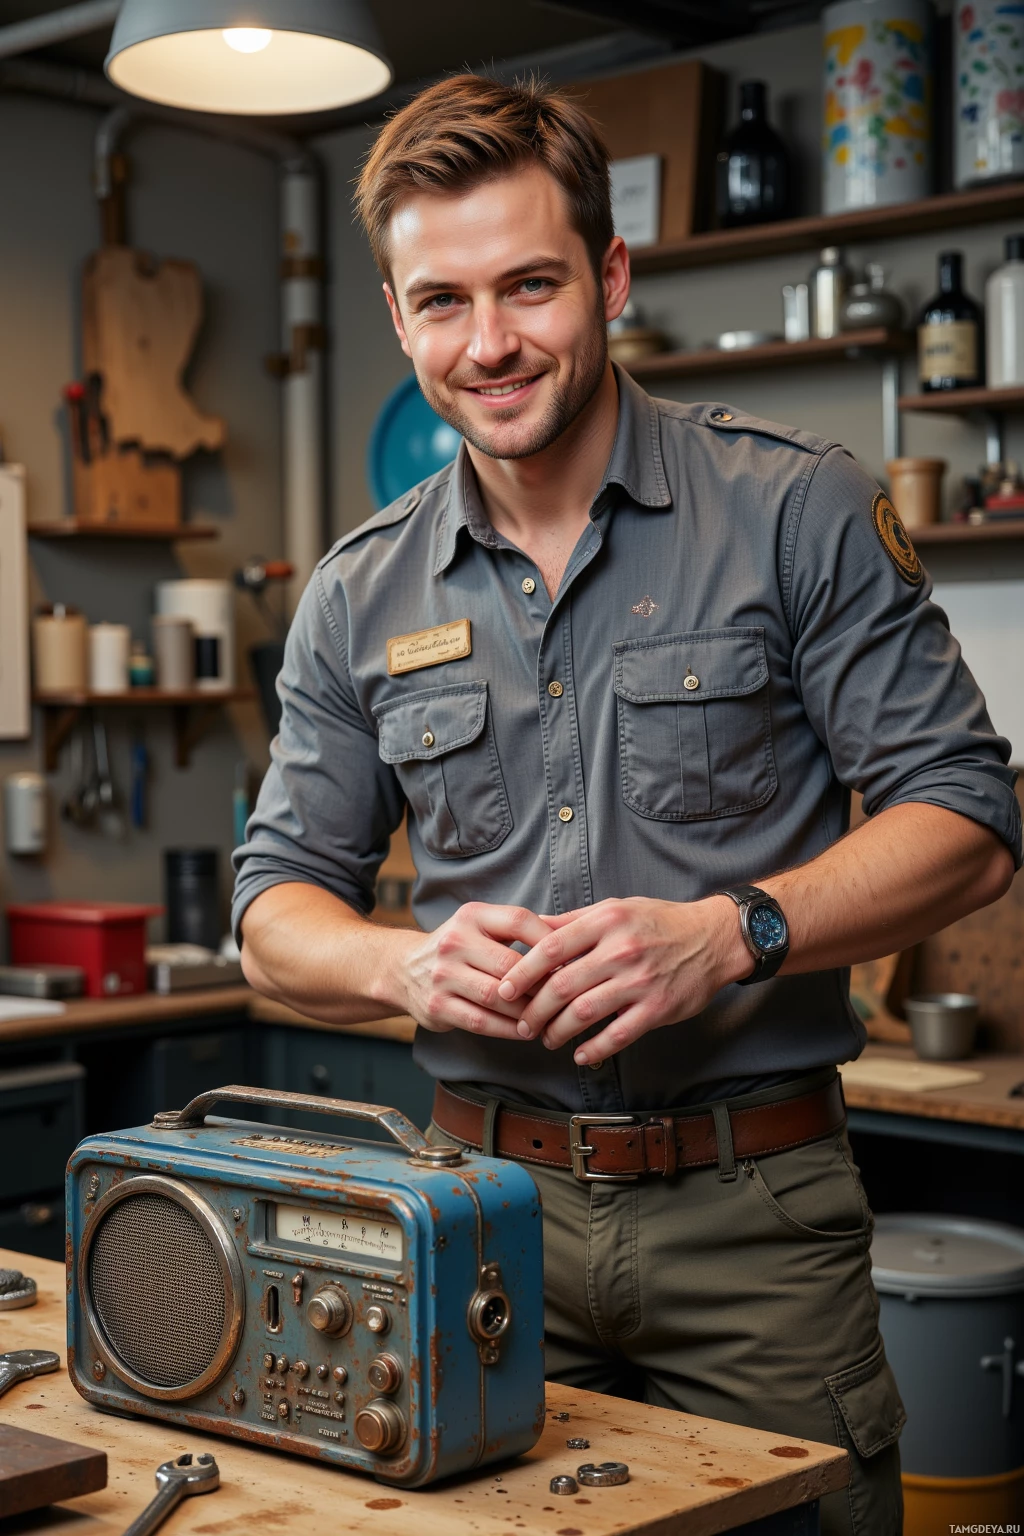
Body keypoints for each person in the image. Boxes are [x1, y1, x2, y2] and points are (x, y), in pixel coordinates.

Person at [232, 74, 1020, 1535]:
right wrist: (405, 962)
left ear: (609, 276)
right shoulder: (357, 592)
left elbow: (969, 813)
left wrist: (734, 933)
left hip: (756, 1223)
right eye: (443, 302)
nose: (491, 343)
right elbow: (273, 917)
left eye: (530, 286)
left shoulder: (796, 508)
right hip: (475, 1220)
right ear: (398, 320)